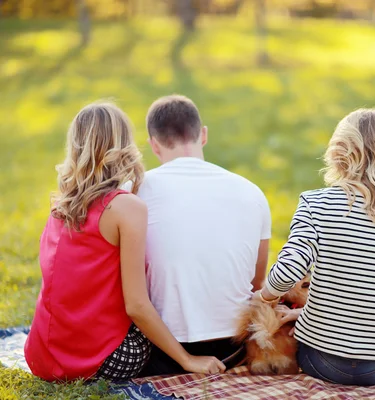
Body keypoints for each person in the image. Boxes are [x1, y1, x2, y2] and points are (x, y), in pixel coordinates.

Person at [24, 102, 226, 382]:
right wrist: (187, 359)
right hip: (94, 360)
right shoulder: (126, 207)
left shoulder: (61, 206)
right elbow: (136, 305)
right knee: (159, 309)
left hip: (41, 356)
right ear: (124, 146)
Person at [257, 109, 375, 386]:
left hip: (321, 361)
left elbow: (288, 272)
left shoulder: (315, 204)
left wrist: (264, 298)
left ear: (340, 151)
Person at [136, 95, 271, 376]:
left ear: (153, 144)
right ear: (204, 135)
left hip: (161, 350)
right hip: (234, 348)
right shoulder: (251, 192)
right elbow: (257, 283)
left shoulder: (134, 192)